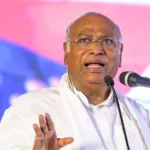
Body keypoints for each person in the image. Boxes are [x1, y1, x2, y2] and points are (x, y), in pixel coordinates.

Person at [0, 11, 150, 150]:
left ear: (120, 53)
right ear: (66, 52)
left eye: (108, 41)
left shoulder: (141, 115)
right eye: (84, 40)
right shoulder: (29, 109)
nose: (97, 49)